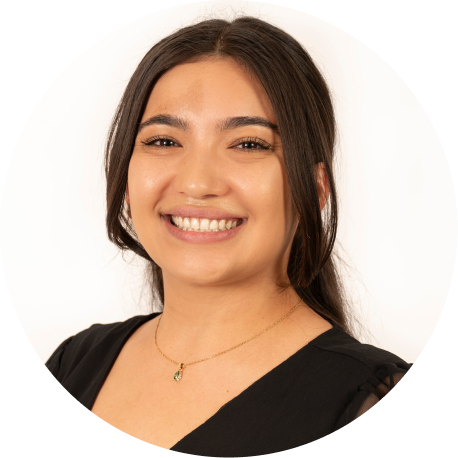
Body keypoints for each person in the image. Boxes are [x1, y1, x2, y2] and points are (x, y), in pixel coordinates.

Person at [45, 16, 412, 454]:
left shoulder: (367, 397)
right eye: (163, 141)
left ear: (314, 189)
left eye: (248, 144)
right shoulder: (74, 362)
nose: (197, 183)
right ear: (126, 178)